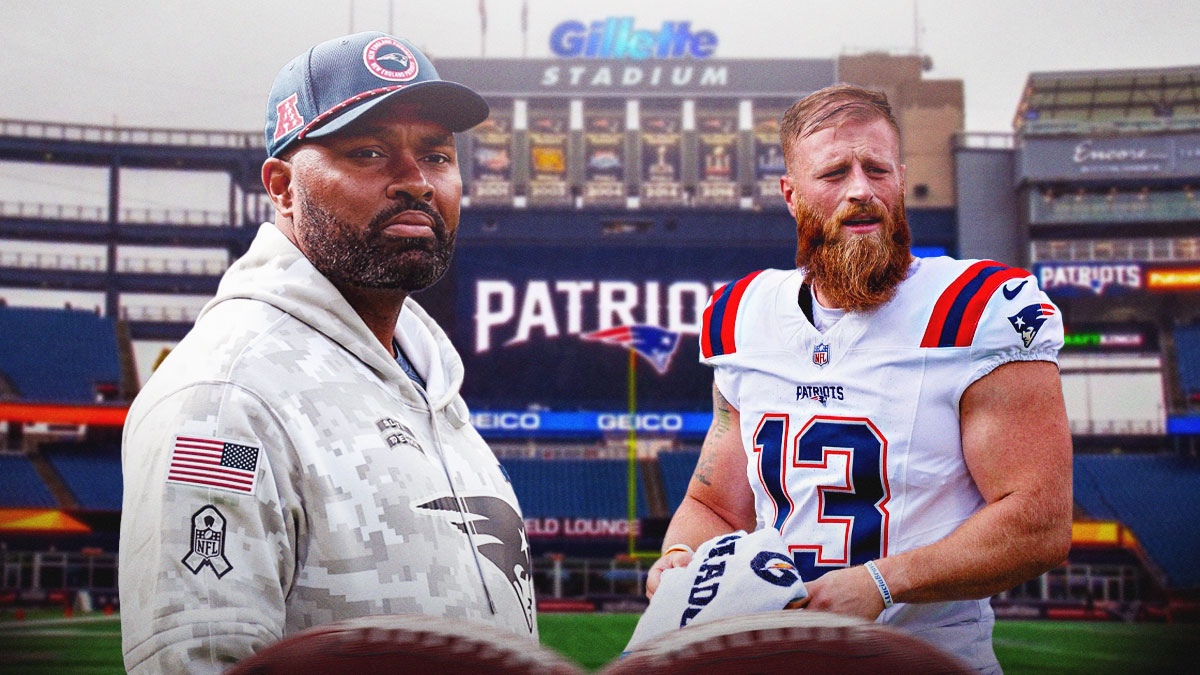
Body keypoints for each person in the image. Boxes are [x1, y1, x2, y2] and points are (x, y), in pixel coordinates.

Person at [119, 31, 536, 674]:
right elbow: (200, 662)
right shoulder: (227, 395)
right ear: (283, 188)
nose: (417, 182)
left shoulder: (428, 381)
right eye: (368, 152)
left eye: (437, 155)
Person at [646, 84, 1073, 672]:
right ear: (791, 196)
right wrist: (679, 557)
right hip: (784, 658)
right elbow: (715, 504)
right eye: (834, 173)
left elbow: (1038, 521)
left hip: (929, 660)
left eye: (876, 169)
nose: (860, 191)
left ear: (899, 179)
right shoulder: (742, 314)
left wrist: (883, 581)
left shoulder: (980, 307)